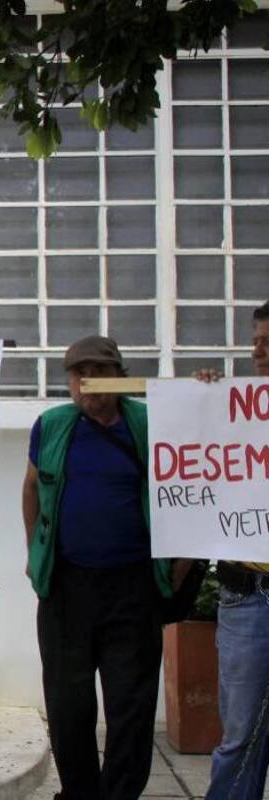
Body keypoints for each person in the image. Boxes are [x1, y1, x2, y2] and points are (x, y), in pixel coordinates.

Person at [22, 335, 175, 800]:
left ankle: (120, 794)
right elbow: (31, 488)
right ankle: (80, 793)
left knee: (130, 704)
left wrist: (206, 391)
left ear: (120, 377)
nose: (85, 384)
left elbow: (199, 466)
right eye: (76, 375)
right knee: (68, 706)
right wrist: (34, 553)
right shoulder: (51, 426)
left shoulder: (152, 423)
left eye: (96, 373)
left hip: (133, 586)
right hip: (67, 587)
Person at [196, 300, 269, 800]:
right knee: (241, 734)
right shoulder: (232, 408)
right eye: (256, 341)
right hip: (248, 594)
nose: (259, 351)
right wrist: (199, 400)